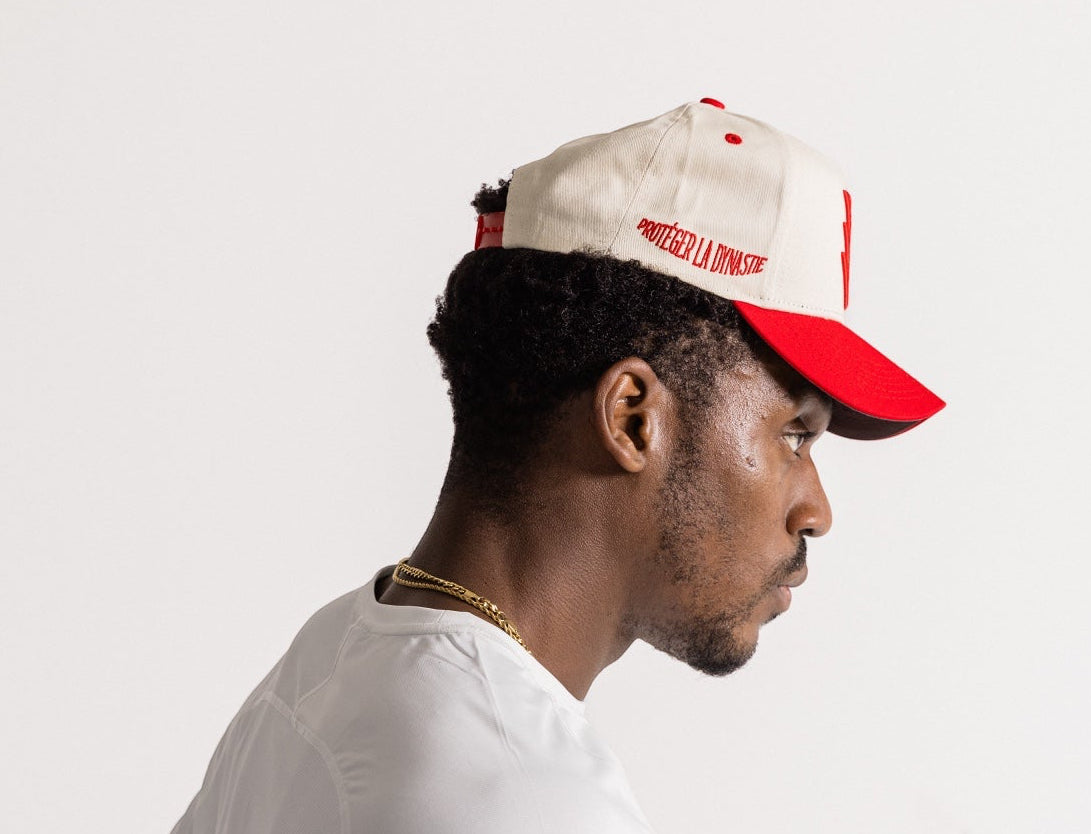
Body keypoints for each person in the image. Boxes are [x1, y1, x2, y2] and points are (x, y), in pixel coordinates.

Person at [171, 97, 945, 834]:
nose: (817, 511)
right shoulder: (528, 799)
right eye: (796, 435)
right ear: (633, 417)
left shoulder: (333, 661)